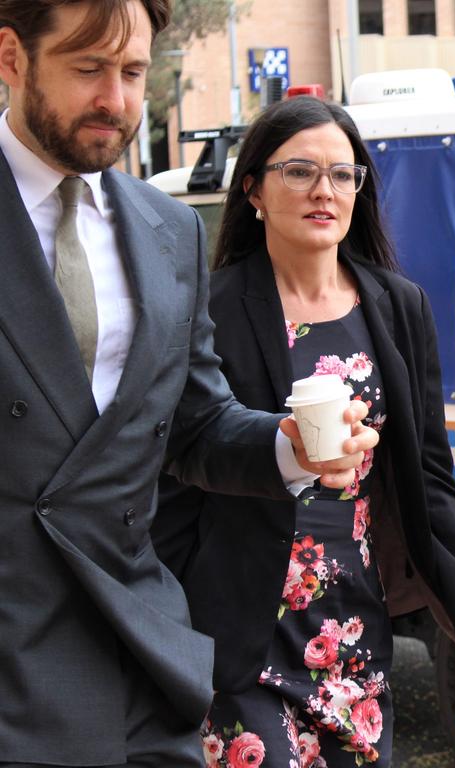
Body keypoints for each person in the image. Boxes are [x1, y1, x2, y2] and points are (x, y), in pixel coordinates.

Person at [0, 2, 378, 766]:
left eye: (133, 71)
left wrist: (293, 446)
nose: (116, 98)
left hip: (141, 664)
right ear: (11, 57)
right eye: (87, 68)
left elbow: (196, 425)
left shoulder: (168, 229)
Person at [153, 96, 455, 767]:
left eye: (343, 175)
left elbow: (430, 480)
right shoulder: (209, 309)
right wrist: (170, 632)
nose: (325, 190)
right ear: (255, 189)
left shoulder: (397, 306)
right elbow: (176, 473)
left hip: (354, 626)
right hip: (239, 633)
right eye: (300, 172)